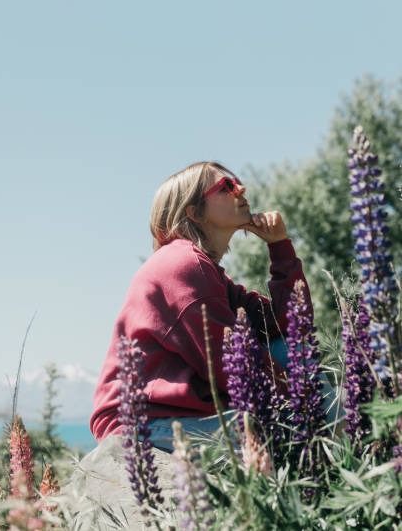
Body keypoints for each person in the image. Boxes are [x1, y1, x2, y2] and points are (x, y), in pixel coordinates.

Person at [90, 161, 338, 451]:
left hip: (183, 415)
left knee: (290, 350)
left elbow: (290, 325)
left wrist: (280, 246)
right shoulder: (182, 265)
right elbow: (236, 368)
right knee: (302, 422)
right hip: (144, 424)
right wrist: (308, 405)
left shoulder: (209, 272)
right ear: (194, 212)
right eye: (227, 187)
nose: (241, 189)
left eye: (237, 182)